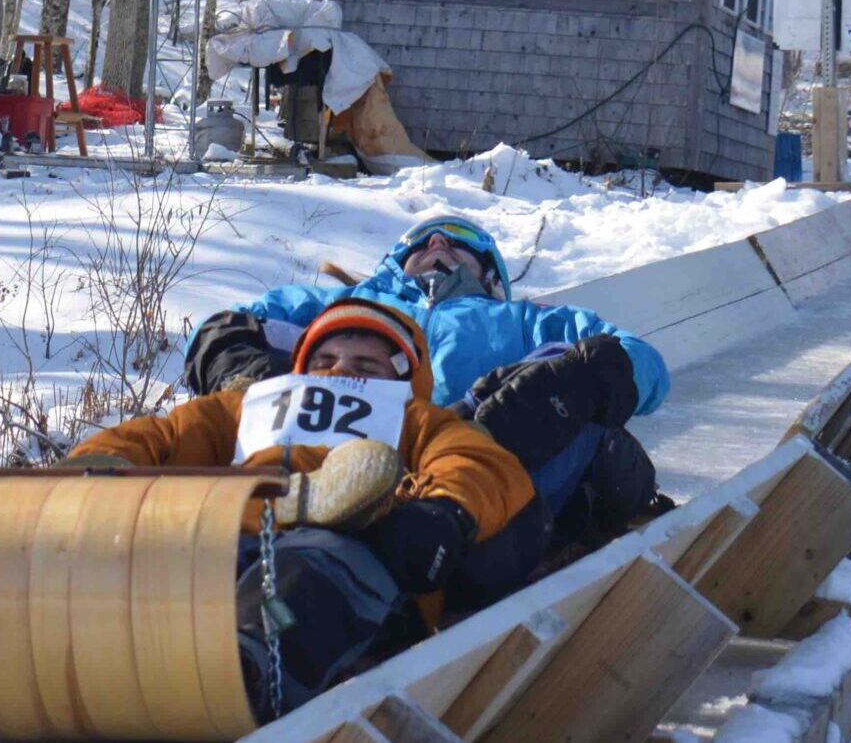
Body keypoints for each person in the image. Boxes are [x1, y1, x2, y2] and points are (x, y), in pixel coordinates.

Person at [71, 298, 535, 720]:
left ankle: (238, 672)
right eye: (325, 360)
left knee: (307, 573)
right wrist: (107, 464)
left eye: (365, 364)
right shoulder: (247, 406)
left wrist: (442, 511)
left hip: (356, 546)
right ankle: (90, 652)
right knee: (174, 562)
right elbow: (165, 436)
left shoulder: (416, 418)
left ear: (402, 378)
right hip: (232, 527)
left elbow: (475, 461)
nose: (338, 372)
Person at [184, 216, 670, 547]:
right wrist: (260, 389)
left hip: (479, 449)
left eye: (457, 241)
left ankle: (466, 516)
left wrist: (576, 384)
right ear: (395, 264)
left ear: (489, 273)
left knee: (572, 378)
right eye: (422, 241)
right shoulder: (343, 304)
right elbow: (230, 329)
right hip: (341, 452)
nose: (437, 243)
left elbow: (634, 358)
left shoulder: (521, 319)